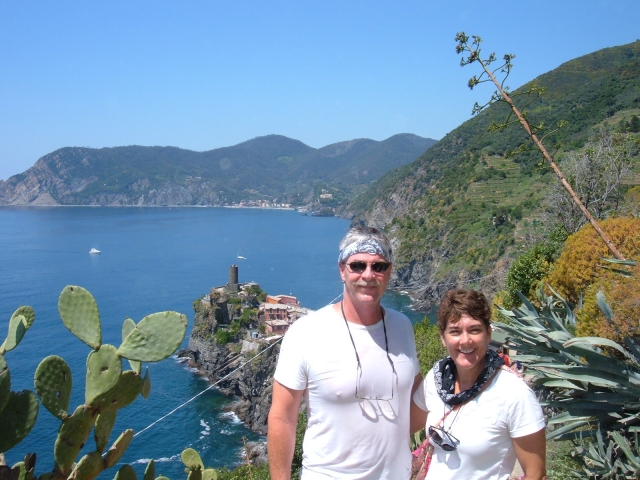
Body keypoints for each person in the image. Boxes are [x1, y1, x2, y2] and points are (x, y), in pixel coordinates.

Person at [268, 226, 422, 480]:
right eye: (358, 265)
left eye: (378, 266)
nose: (368, 275)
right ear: (342, 270)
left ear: (389, 272)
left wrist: (465, 376)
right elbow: (282, 417)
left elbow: (415, 404)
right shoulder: (306, 332)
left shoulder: (402, 326)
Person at [410, 289, 546, 480]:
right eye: (455, 331)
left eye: (474, 330)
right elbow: (403, 426)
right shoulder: (436, 379)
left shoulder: (515, 393)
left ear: (488, 334)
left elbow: (536, 475)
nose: (465, 340)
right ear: (443, 337)